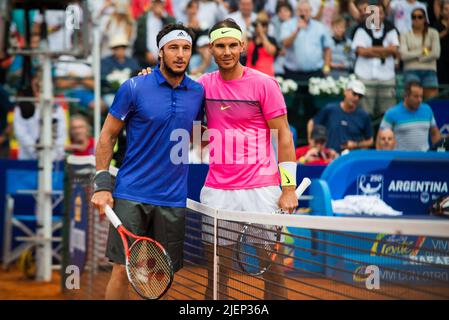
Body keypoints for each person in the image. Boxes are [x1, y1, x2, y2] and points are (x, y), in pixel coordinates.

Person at [91, 23, 204, 300]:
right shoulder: (133, 87)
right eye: (173, 48)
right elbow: (107, 137)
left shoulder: (198, 93)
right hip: (132, 194)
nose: (180, 54)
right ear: (160, 52)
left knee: (160, 276)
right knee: (122, 270)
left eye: (186, 48)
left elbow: (199, 138)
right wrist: (102, 184)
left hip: (173, 198)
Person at [198, 18, 298, 300]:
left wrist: (288, 188)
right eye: (220, 46)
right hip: (218, 191)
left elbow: (284, 138)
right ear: (211, 49)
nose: (227, 51)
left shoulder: (265, 85)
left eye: (232, 45)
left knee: (273, 272)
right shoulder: (203, 86)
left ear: (242, 46)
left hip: (262, 190)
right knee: (217, 275)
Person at [352, 1, 399, 118]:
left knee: (387, 114)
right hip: (365, 77)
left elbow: (394, 50)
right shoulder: (361, 29)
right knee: (365, 113)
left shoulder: (391, 29)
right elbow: (361, 51)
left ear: (384, 14)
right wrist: (384, 51)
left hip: (386, 78)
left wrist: (370, 50)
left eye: (380, 13)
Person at [308, 79, 374, 154]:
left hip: (350, 159)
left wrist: (355, 145)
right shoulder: (330, 109)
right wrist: (312, 145)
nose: (357, 98)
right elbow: (311, 123)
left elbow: (370, 141)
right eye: (354, 94)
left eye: (360, 96)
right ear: (345, 91)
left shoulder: (363, 115)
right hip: (329, 157)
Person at [379, 81, 441, 151]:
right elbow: (380, 138)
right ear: (406, 96)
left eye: (421, 96)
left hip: (423, 159)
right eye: (416, 96)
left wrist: (438, 152)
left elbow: (435, 133)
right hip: (400, 159)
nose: (419, 100)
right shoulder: (392, 113)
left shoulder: (427, 110)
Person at [400, 7, 440, 99]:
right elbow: (403, 55)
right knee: (412, 101)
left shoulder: (433, 33)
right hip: (410, 71)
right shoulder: (405, 35)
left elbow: (436, 53)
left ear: (425, 19)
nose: (416, 19)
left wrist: (417, 57)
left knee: (432, 103)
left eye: (420, 17)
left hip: (430, 71)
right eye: (414, 17)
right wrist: (424, 51)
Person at [245, 11, 279, 76]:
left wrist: (262, 34)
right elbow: (243, 50)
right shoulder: (251, 39)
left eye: (263, 25)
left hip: (265, 75)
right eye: (256, 26)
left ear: (266, 27)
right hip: (249, 75)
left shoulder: (271, 40)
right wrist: (247, 29)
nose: (258, 28)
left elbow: (272, 52)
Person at [434, 0, 449, 85]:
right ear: (441, 12)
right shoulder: (436, 25)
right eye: (446, 9)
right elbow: (432, 41)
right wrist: (446, 32)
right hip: (441, 61)